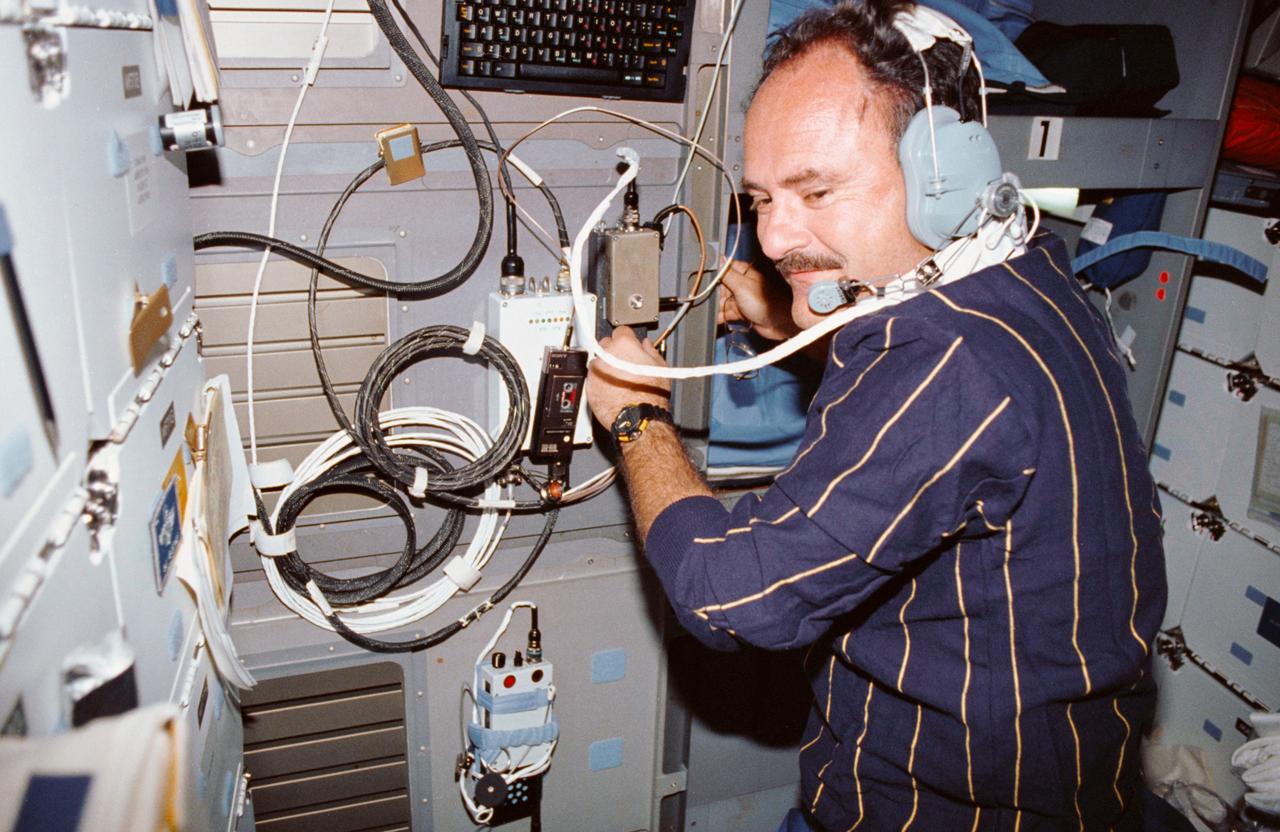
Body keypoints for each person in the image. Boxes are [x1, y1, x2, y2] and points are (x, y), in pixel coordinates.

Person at [584, 2, 1167, 829]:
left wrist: (639, 416)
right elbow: (938, 434)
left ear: (944, 174)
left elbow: (730, 599)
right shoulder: (1021, 276)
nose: (778, 236)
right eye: (761, 199)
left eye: (816, 190)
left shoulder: (943, 363)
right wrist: (786, 323)